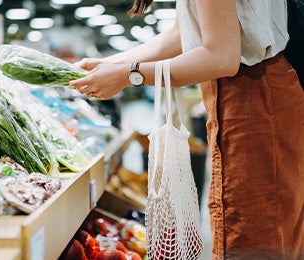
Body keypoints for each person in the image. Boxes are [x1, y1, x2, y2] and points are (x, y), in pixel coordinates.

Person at [69, 0, 304, 259]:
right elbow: (182, 33)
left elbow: (221, 56)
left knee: (257, 237)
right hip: (253, 94)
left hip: (254, 99)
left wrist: (129, 75)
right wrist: (108, 64)